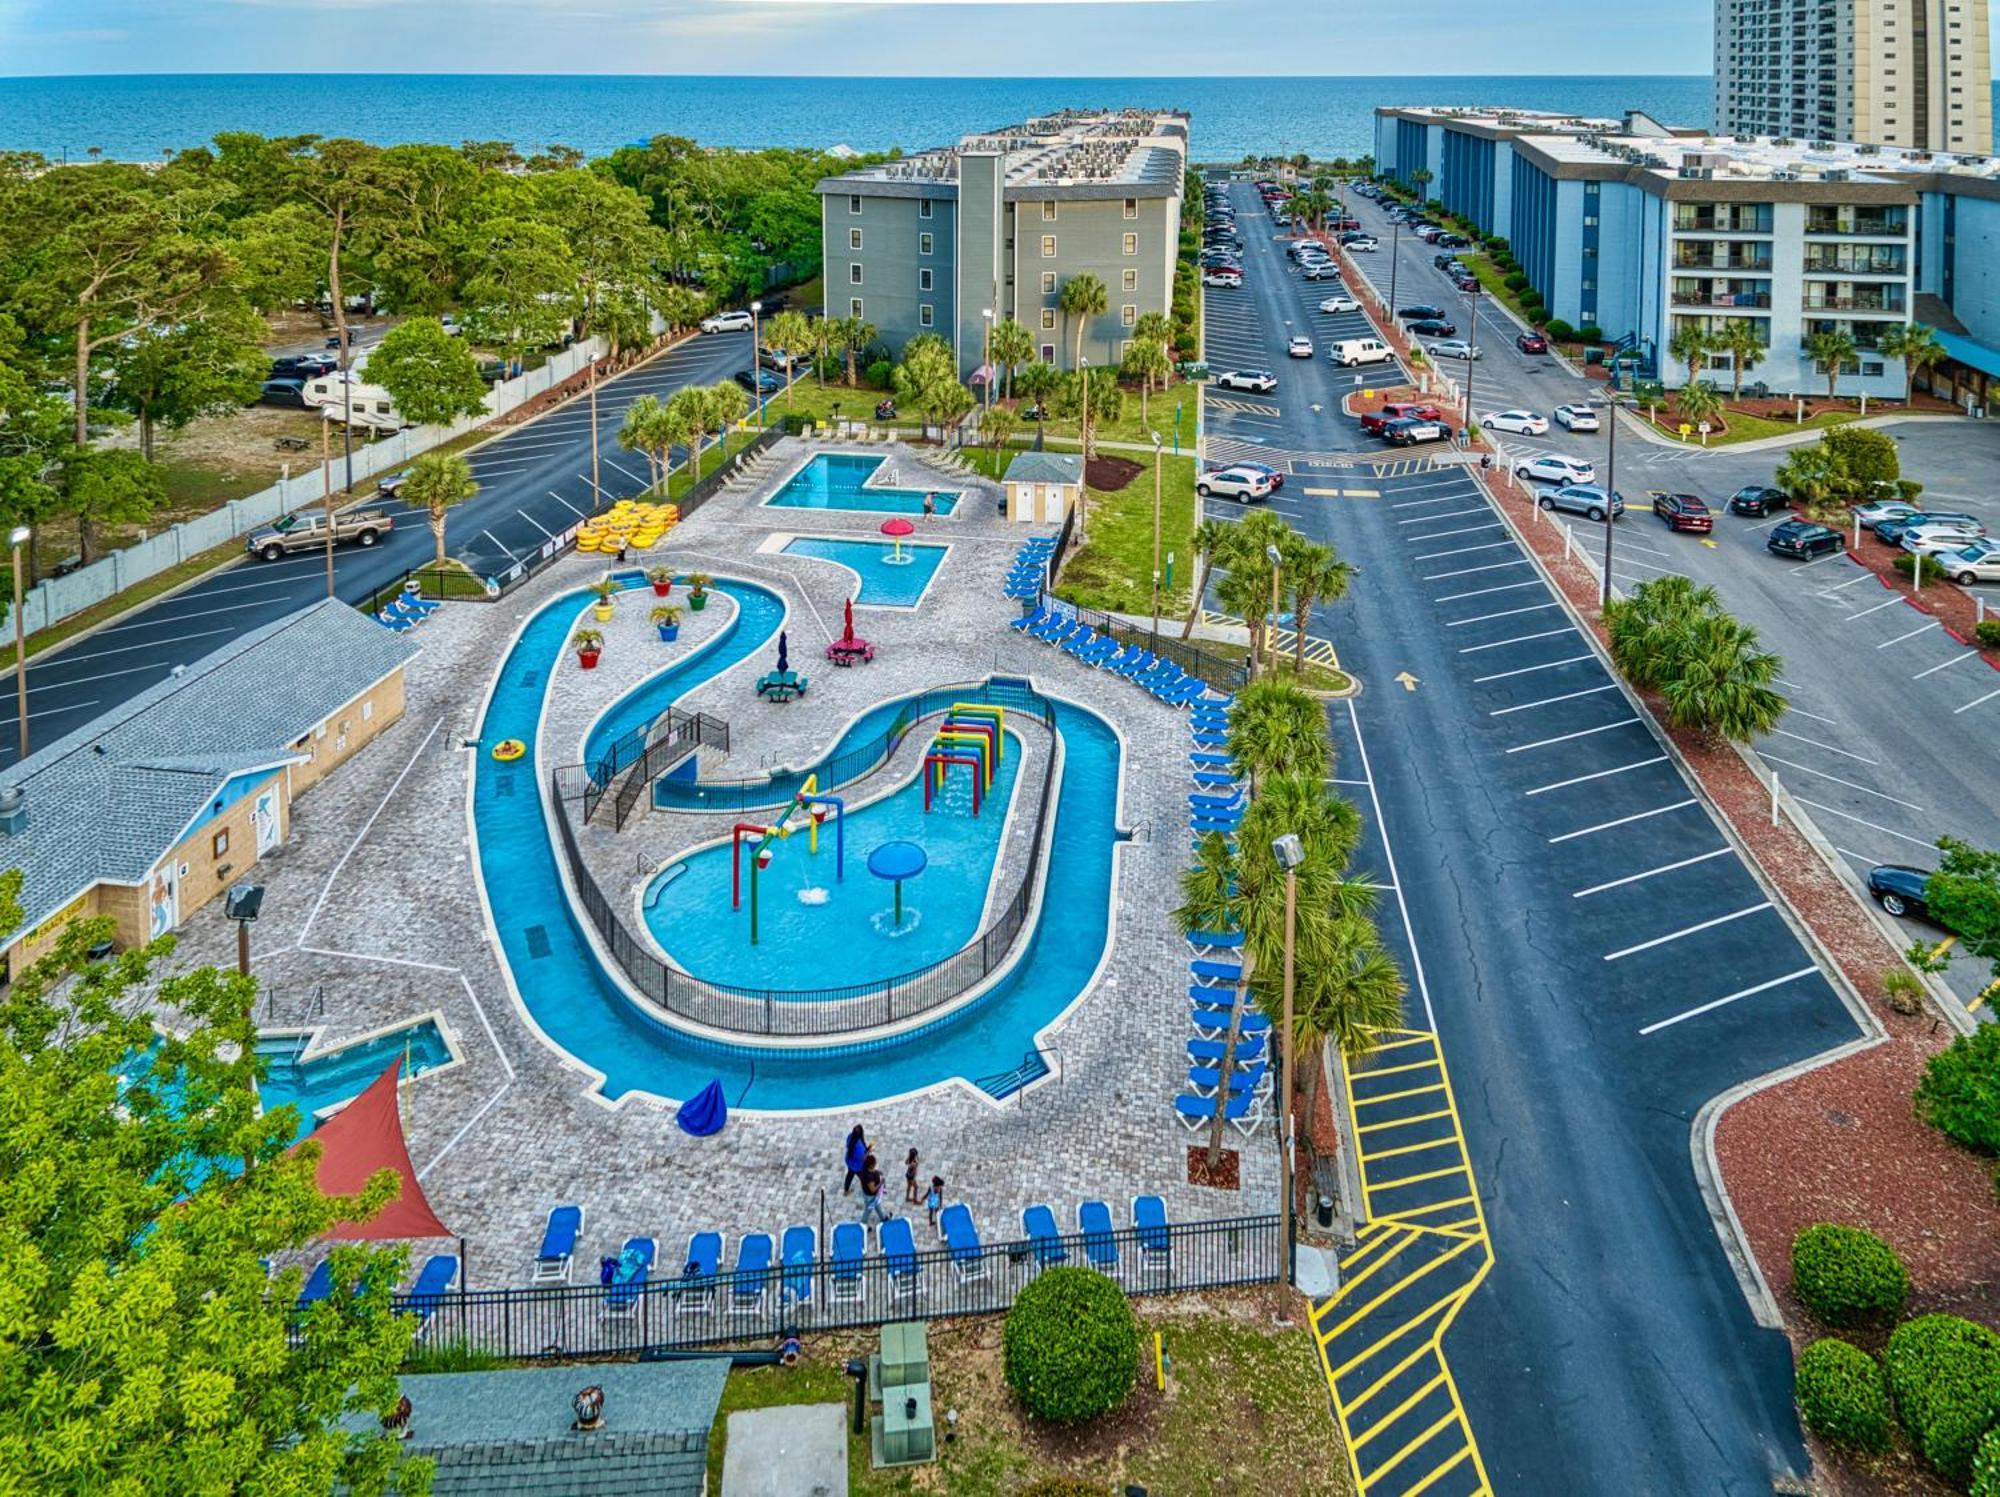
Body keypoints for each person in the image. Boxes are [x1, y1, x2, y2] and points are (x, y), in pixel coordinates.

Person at [859, 1153, 892, 1225]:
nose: (875, 1164)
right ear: (870, 1165)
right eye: (874, 1164)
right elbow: (873, 1189)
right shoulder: (869, 1177)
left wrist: (877, 1171)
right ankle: (863, 1224)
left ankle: (883, 1218)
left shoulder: (865, 1168)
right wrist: (881, 1183)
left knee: (877, 1206)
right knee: (868, 1209)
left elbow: (873, 1170)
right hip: (870, 1196)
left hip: (869, 1194)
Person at [841, 1125, 867, 1195]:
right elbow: (863, 1157)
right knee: (863, 1178)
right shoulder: (859, 1147)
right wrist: (868, 1152)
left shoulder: (850, 1136)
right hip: (857, 1166)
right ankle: (867, 1190)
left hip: (850, 1162)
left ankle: (846, 1191)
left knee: (849, 1175)